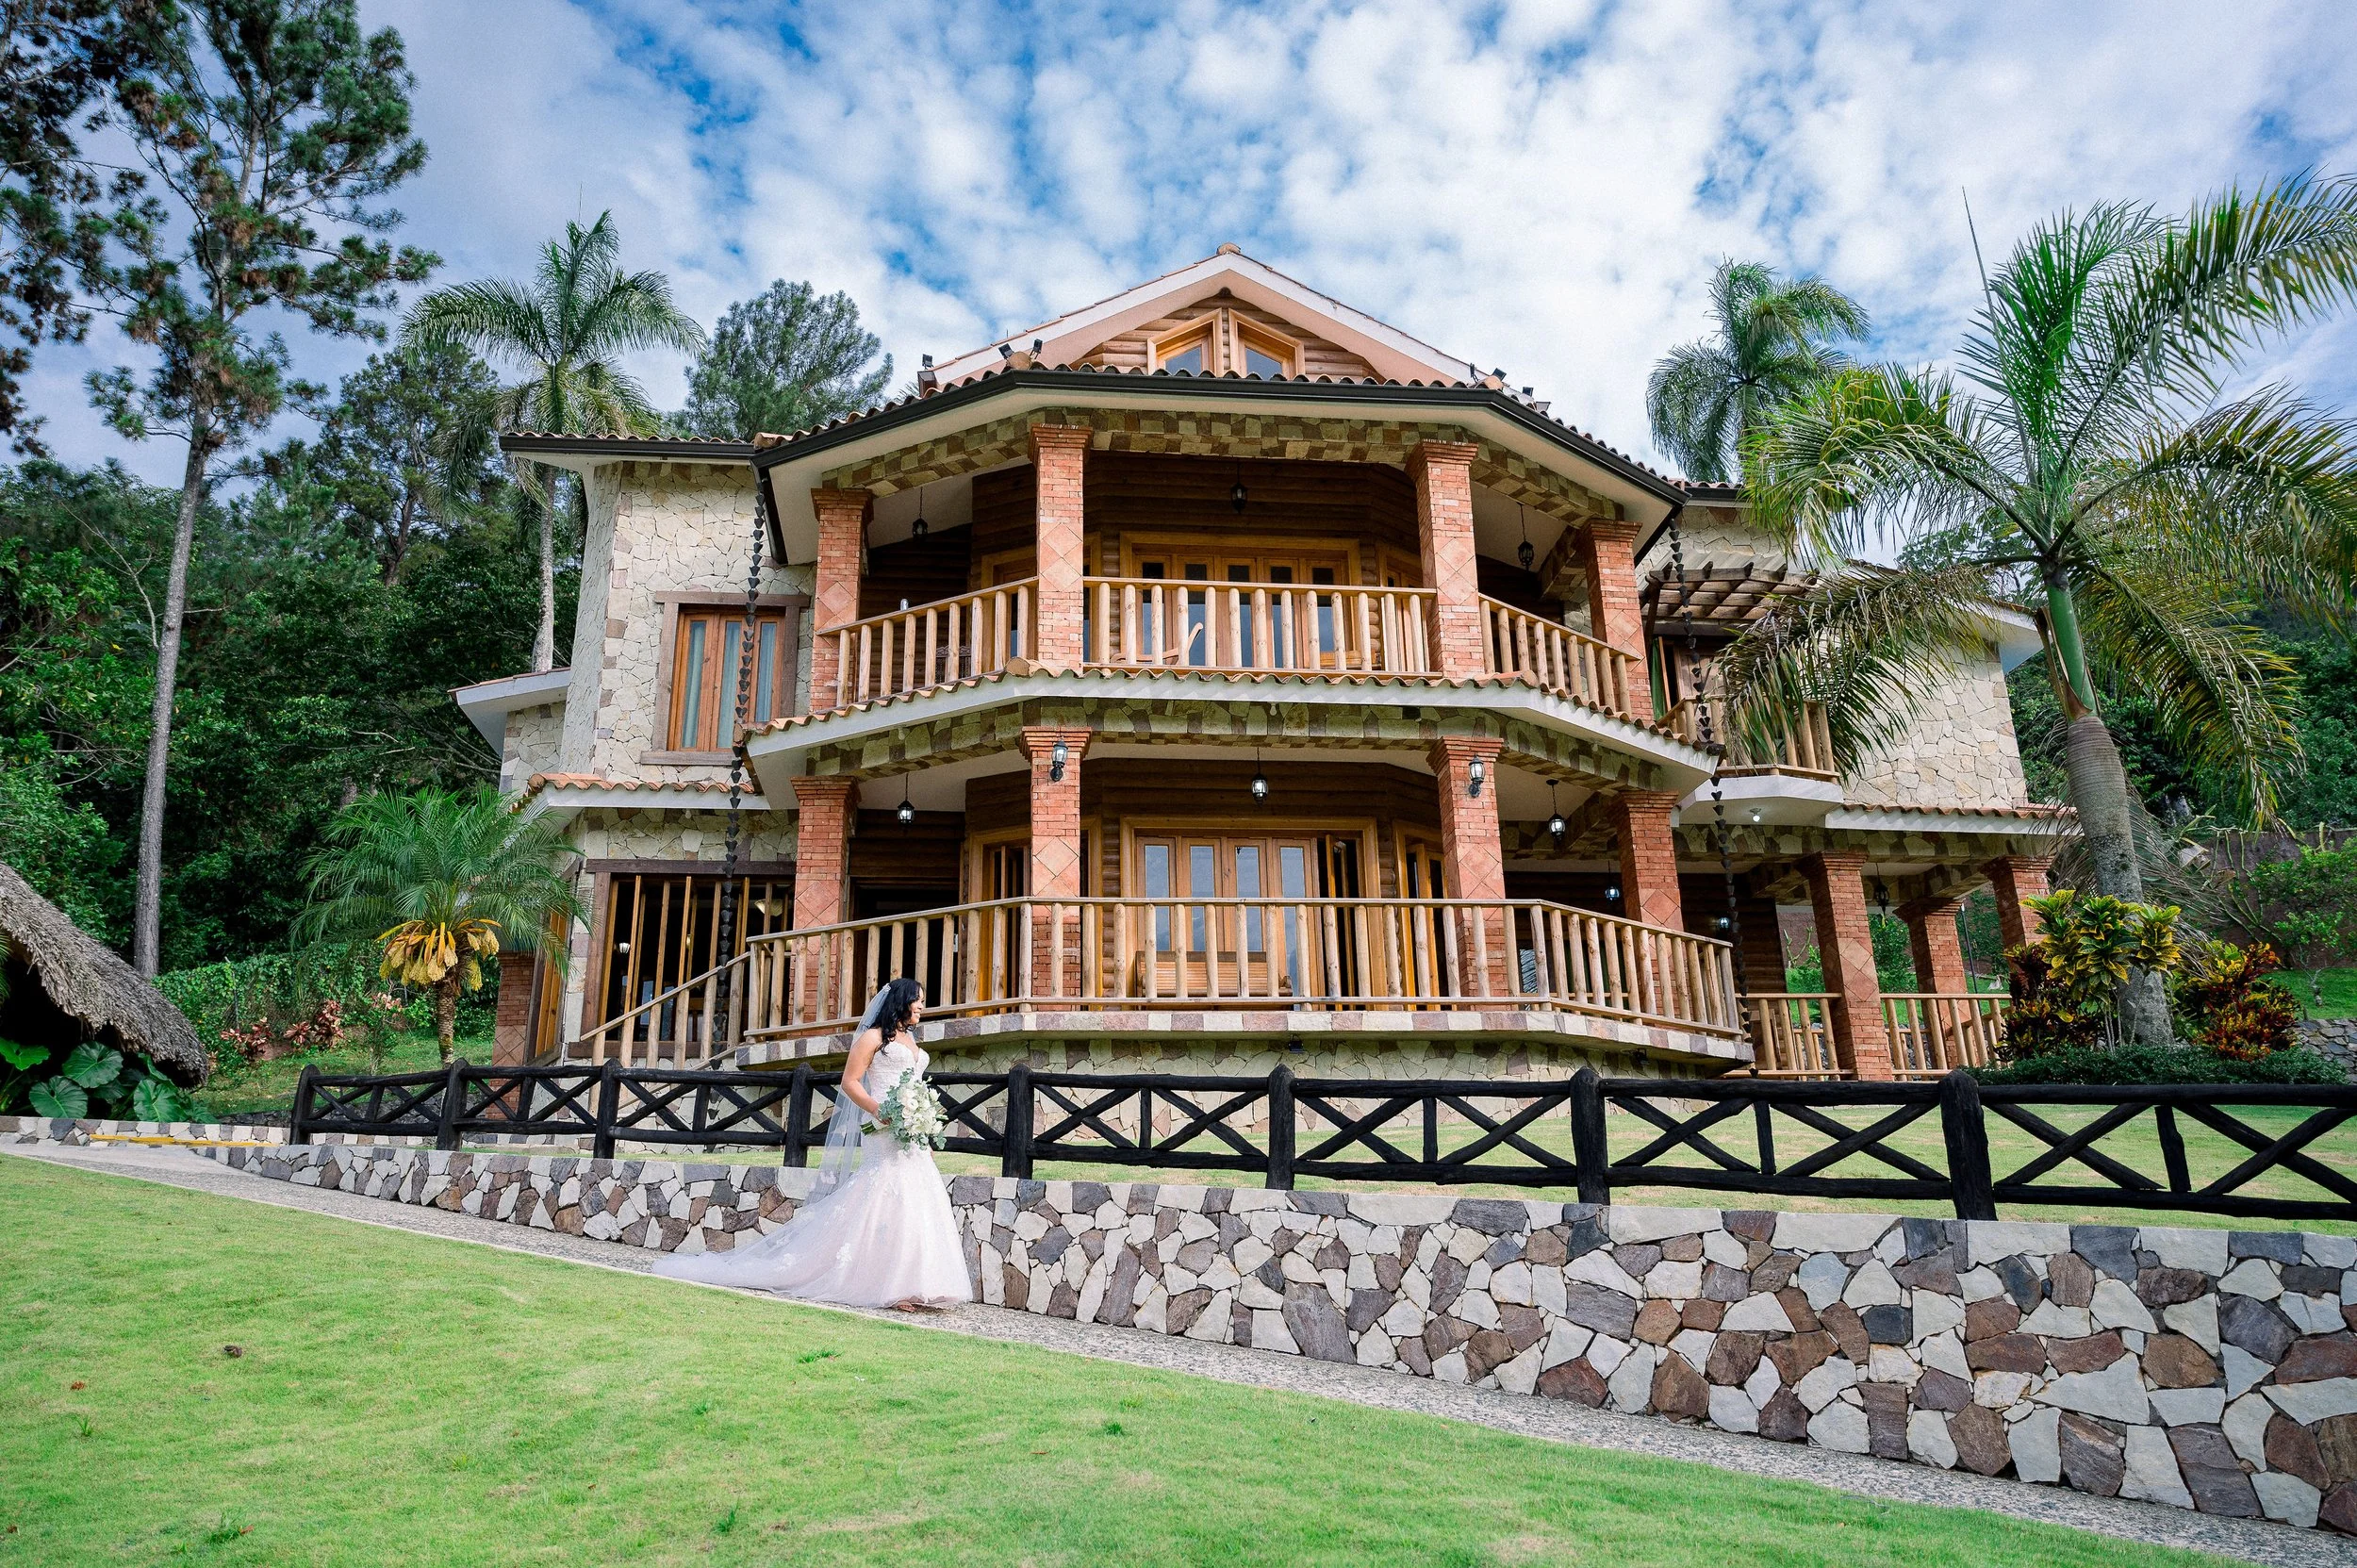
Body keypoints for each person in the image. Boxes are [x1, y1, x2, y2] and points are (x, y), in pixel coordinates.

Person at [651, 978, 972, 1309]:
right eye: (917, 1000)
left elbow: (916, 1087)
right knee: (886, 1191)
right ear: (902, 1001)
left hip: (911, 1130)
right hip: (883, 1125)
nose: (922, 1006)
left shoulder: (911, 1042)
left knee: (918, 1196)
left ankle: (920, 1282)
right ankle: (888, 1286)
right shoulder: (873, 1038)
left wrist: (922, 1124)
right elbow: (850, 1081)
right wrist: (880, 1111)